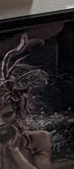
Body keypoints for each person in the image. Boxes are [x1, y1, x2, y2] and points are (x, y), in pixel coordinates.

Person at [0, 34, 51, 169]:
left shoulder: (39, 139)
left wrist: (14, 150)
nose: (1, 123)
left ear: (17, 112)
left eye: (7, 115)